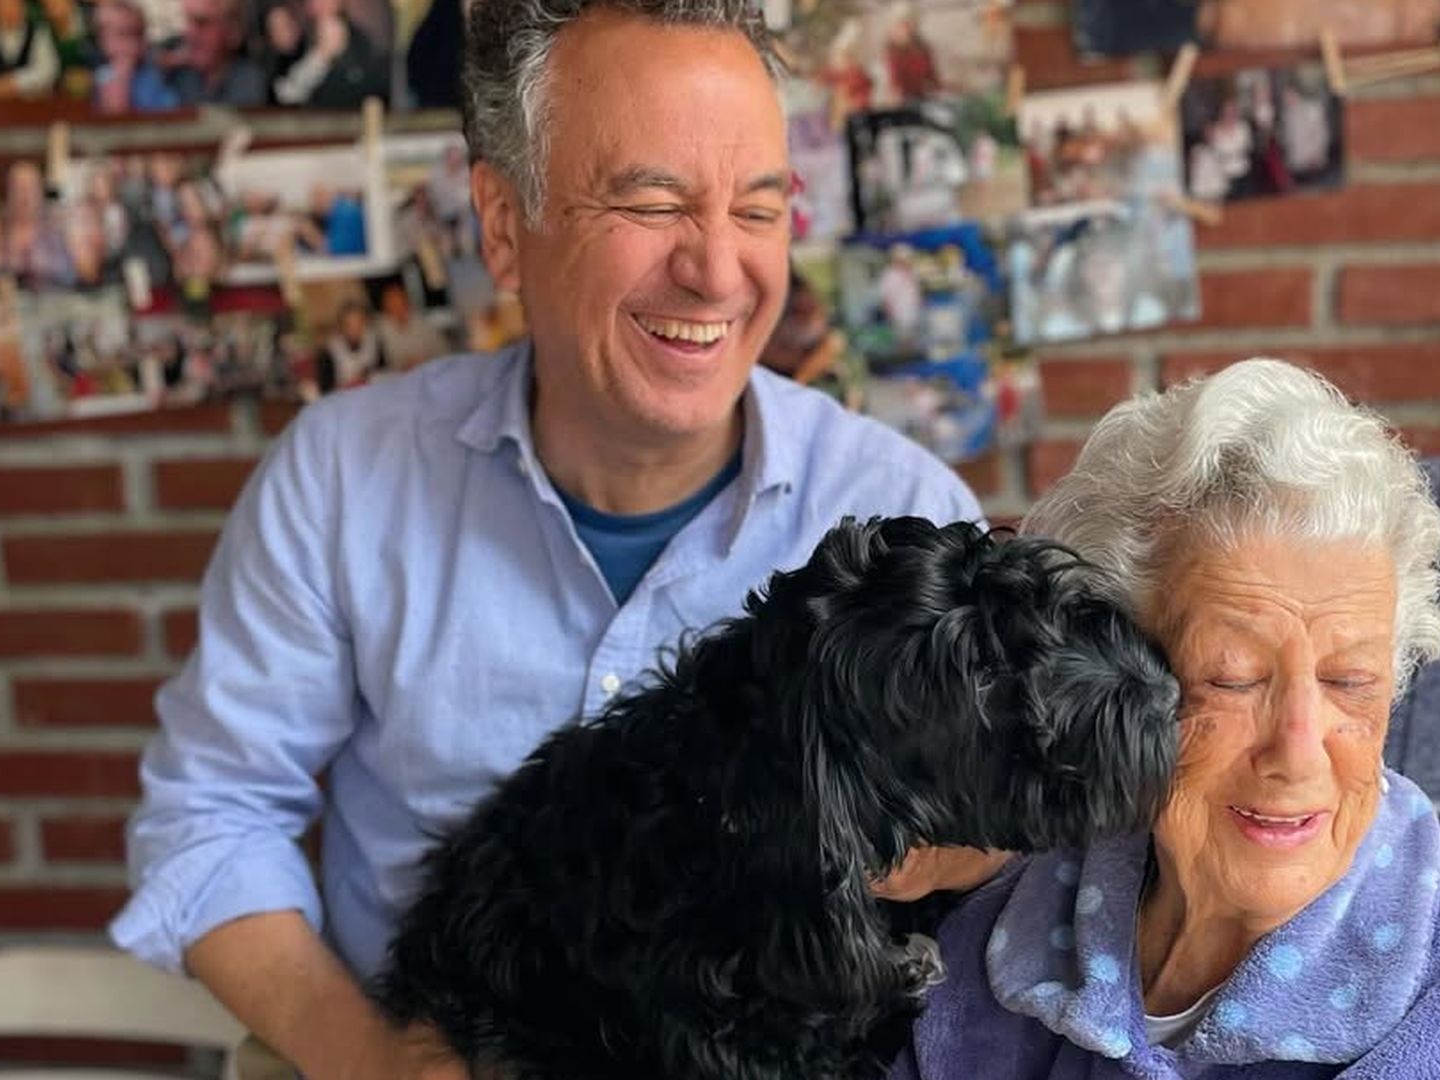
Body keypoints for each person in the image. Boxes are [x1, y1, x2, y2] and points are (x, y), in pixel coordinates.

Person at [107, 2, 983, 1078]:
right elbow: (211, 817)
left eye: (758, 210)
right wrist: (378, 1060)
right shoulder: (340, 479)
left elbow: (999, 866)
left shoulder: (902, 516)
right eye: (652, 201)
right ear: (501, 222)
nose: (716, 271)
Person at [888, 359, 1440, 1078]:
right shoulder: (1005, 925)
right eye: (1232, 679)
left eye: (1350, 682)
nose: (1297, 751)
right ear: (1110, 678)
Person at [161, 0, 267, 106]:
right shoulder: (178, 70)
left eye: (202, 23)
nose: (189, 34)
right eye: (188, 21)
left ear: (233, 31)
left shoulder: (250, 84)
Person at [92, 0, 180, 113]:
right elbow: (114, 113)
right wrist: (123, 75)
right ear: (103, 40)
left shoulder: (152, 71)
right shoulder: (103, 75)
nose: (133, 44)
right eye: (124, 35)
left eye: (138, 34)